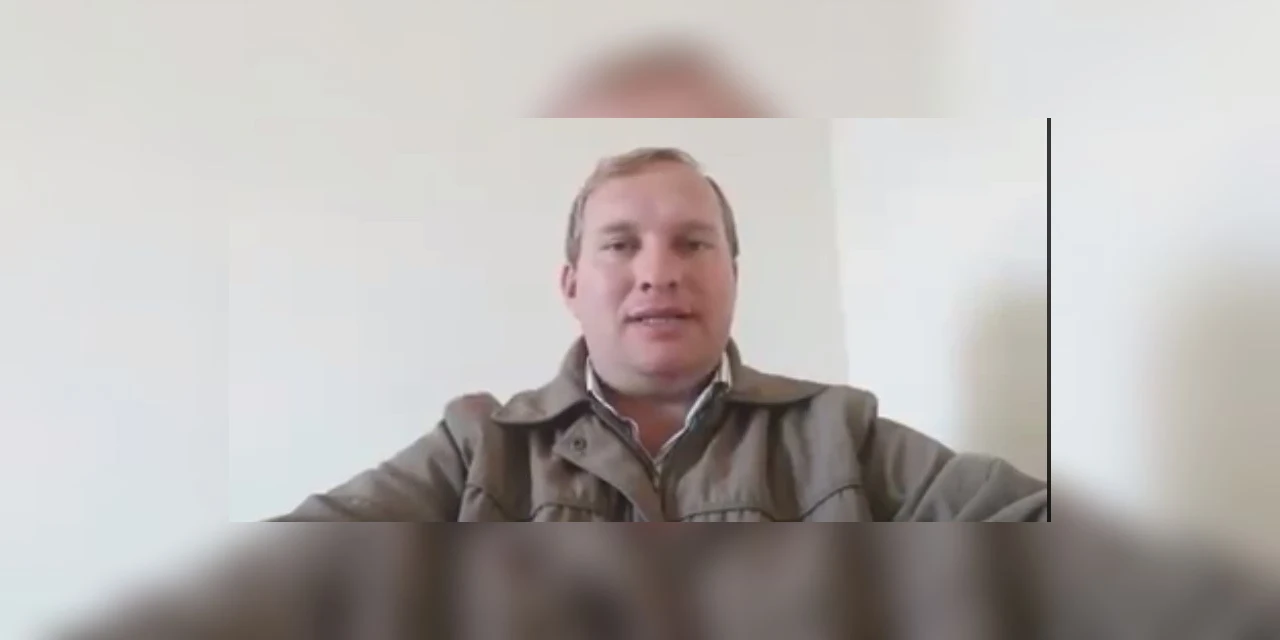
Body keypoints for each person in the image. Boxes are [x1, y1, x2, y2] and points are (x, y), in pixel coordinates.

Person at [275, 146, 1048, 522]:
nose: (658, 273)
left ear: (732, 275)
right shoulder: (476, 447)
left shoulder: (839, 434)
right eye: (620, 245)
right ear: (571, 286)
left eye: (692, 243)